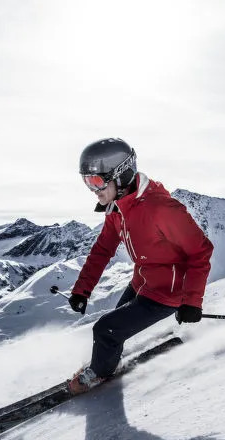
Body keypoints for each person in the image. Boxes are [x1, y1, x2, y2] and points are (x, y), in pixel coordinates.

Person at [66, 138, 214, 394]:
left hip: (168, 292)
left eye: (97, 181)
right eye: (87, 182)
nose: (93, 190)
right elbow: (102, 249)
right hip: (142, 282)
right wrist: (82, 290)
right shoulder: (117, 208)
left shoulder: (160, 208)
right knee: (113, 326)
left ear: (121, 175)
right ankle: (107, 361)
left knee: (106, 330)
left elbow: (200, 250)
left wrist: (191, 302)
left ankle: (99, 373)